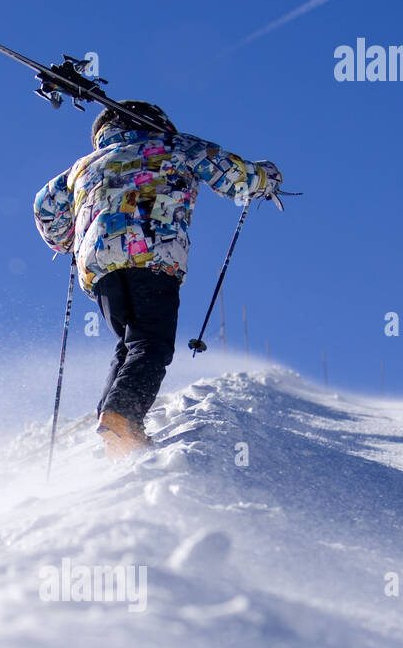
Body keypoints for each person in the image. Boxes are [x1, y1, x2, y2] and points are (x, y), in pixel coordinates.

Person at [34, 100, 283, 457]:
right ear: (159, 123)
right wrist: (268, 177)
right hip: (153, 251)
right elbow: (233, 175)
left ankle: (114, 427)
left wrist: (68, 239)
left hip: (100, 264)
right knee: (152, 343)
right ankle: (123, 416)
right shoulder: (176, 145)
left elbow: (44, 206)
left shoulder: (79, 168)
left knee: (131, 343)